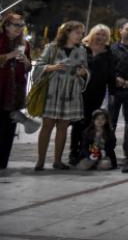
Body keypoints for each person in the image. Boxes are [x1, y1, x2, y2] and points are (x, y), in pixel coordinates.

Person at [33, 21, 89, 171]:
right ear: (67, 32)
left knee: (63, 127)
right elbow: (38, 66)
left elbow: (85, 70)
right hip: (53, 91)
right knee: (47, 126)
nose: (80, 36)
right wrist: (51, 67)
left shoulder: (82, 50)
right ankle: (40, 161)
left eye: (81, 33)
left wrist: (83, 73)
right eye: (77, 32)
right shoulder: (52, 48)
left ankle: (57, 161)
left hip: (71, 92)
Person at [69, 24, 116, 166]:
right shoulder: (82, 48)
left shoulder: (109, 53)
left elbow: (111, 75)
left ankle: (87, 152)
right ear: (92, 34)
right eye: (98, 34)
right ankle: (73, 152)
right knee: (77, 122)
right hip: (79, 92)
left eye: (104, 35)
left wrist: (112, 93)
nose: (100, 37)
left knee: (90, 123)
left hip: (97, 93)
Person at [0, 12, 33, 169]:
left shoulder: (24, 44)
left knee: (9, 127)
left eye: (22, 25)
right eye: (16, 25)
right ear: (6, 25)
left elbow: (28, 67)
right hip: (1, 88)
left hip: (14, 93)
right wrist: (9, 55)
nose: (20, 28)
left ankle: (3, 162)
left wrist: (26, 61)